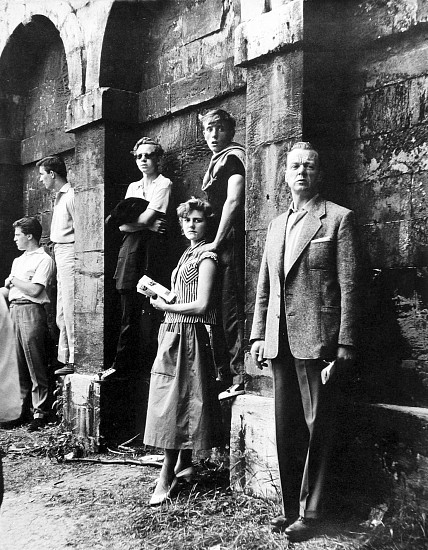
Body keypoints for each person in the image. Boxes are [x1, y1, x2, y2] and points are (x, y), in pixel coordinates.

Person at [250, 142, 360, 542]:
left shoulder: (338, 220)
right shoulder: (276, 225)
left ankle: (314, 513)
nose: (301, 172)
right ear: (284, 175)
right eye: (295, 166)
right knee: (287, 427)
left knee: (320, 427)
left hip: (319, 342)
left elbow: (350, 286)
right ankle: (289, 509)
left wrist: (344, 343)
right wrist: (259, 334)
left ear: (319, 173)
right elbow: (265, 285)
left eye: (309, 166)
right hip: (280, 341)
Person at [144, 198, 223, 506]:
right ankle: (183, 463)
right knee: (175, 397)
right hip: (175, 331)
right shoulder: (187, 254)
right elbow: (185, 295)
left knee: (177, 401)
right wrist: (162, 296)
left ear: (208, 223)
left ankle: (166, 476)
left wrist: (168, 306)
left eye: (198, 220)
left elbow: (203, 305)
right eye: (187, 220)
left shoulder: (207, 257)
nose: (191, 224)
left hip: (191, 334)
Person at [103, 137, 172, 380]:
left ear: (158, 158)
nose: (144, 160)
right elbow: (122, 226)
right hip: (131, 249)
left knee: (151, 307)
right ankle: (122, 365)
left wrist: (142, 223)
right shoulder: (133, 187)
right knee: (127, 310)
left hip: (151, 250)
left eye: (149, 155)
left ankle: (151, 367)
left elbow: (141, 219)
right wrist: (147, 225)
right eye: (139, 156)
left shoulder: (164, 184)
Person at [198, 109, 246, 400]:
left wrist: (215, 242)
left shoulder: (232, 158)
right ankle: (226, 374)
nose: (214, 135)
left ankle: (240, 376)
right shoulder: (216, 161)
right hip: (219, 242)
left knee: (232, 309)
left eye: (219, 129)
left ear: (230, 131)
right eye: (208, 130)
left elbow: (233, 201)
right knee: (216, 308)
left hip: (230, 241)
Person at [0, 217, 55, 432]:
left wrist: (13, 281)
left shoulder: (44, 260)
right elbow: (8, 291)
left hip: (31, 311)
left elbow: (35, 290)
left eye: (18, 235)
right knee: (17, 361)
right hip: (14, 309)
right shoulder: (18, 261)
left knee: (35, 361)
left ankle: (40, 411)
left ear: (29, 236)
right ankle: (22, 410)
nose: (15, 239)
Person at [37, 155, 75, 376]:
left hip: (70, 252)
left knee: (69, 307)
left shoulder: (71, 196)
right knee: (61, 309)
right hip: (59, 252)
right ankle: (66, 357)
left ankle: (74, 359)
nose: (41, 180)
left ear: (52, 174)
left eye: (42, 175)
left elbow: (81, 229)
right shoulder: (60, 197)